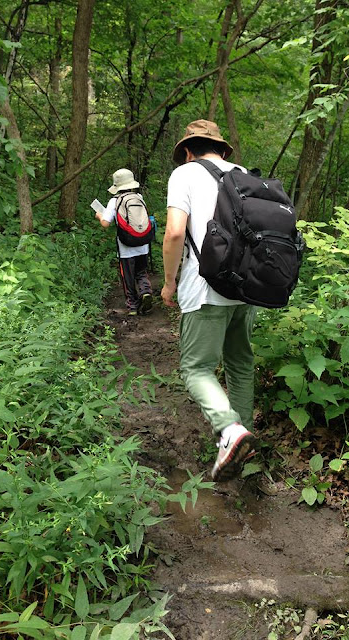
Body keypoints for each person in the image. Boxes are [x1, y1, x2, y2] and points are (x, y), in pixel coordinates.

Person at [161, 119, 257, 481]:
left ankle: (231, 432)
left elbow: (174, 233)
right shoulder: (242, 174)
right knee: (240, 363)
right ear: (221, 149)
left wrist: (169, 283)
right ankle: (242, 441)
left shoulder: (184, 174)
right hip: (246, 287)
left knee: (196, 368)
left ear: (188, 151)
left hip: (205, 289)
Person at [96, 168, 153, 316]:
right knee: (141, 272)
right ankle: (146, 292)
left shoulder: (114, 201)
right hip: (143, 243)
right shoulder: (139, 197)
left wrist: (99, 215)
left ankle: (132, 306)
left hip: (126, 247)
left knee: (128, 277)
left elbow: (105, 223)